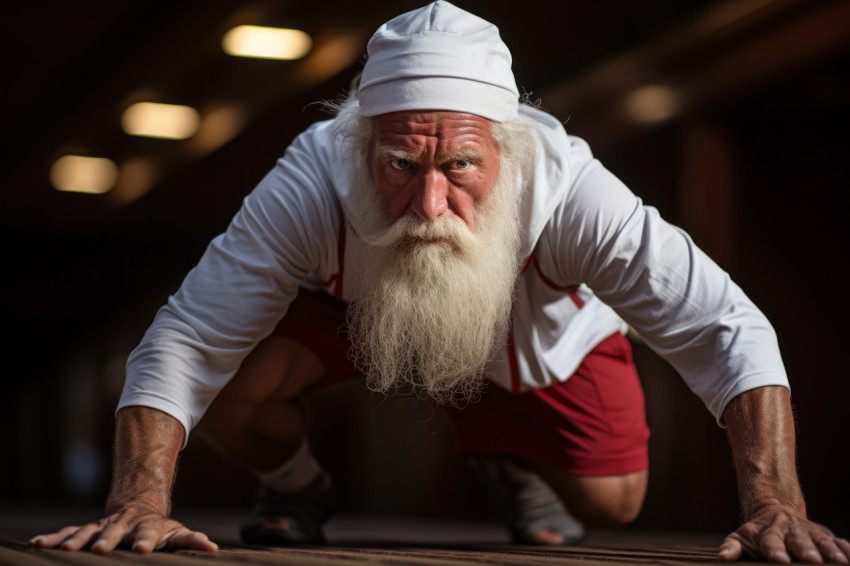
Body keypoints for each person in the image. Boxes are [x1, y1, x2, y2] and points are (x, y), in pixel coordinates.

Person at [30, 1, 849, 562]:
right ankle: (297, 486)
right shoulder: (311, 180)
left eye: (460, 165)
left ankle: (511, 461)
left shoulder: (570, 188)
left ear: (511, 150)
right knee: (225, 388)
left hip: (531, 340)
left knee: (612, 506)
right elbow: (188, 337)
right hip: (355, 312)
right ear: (359, 147)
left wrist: (775, 501)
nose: (429, 203)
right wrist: (138, 500)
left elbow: (726, 329)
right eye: (399, 163)